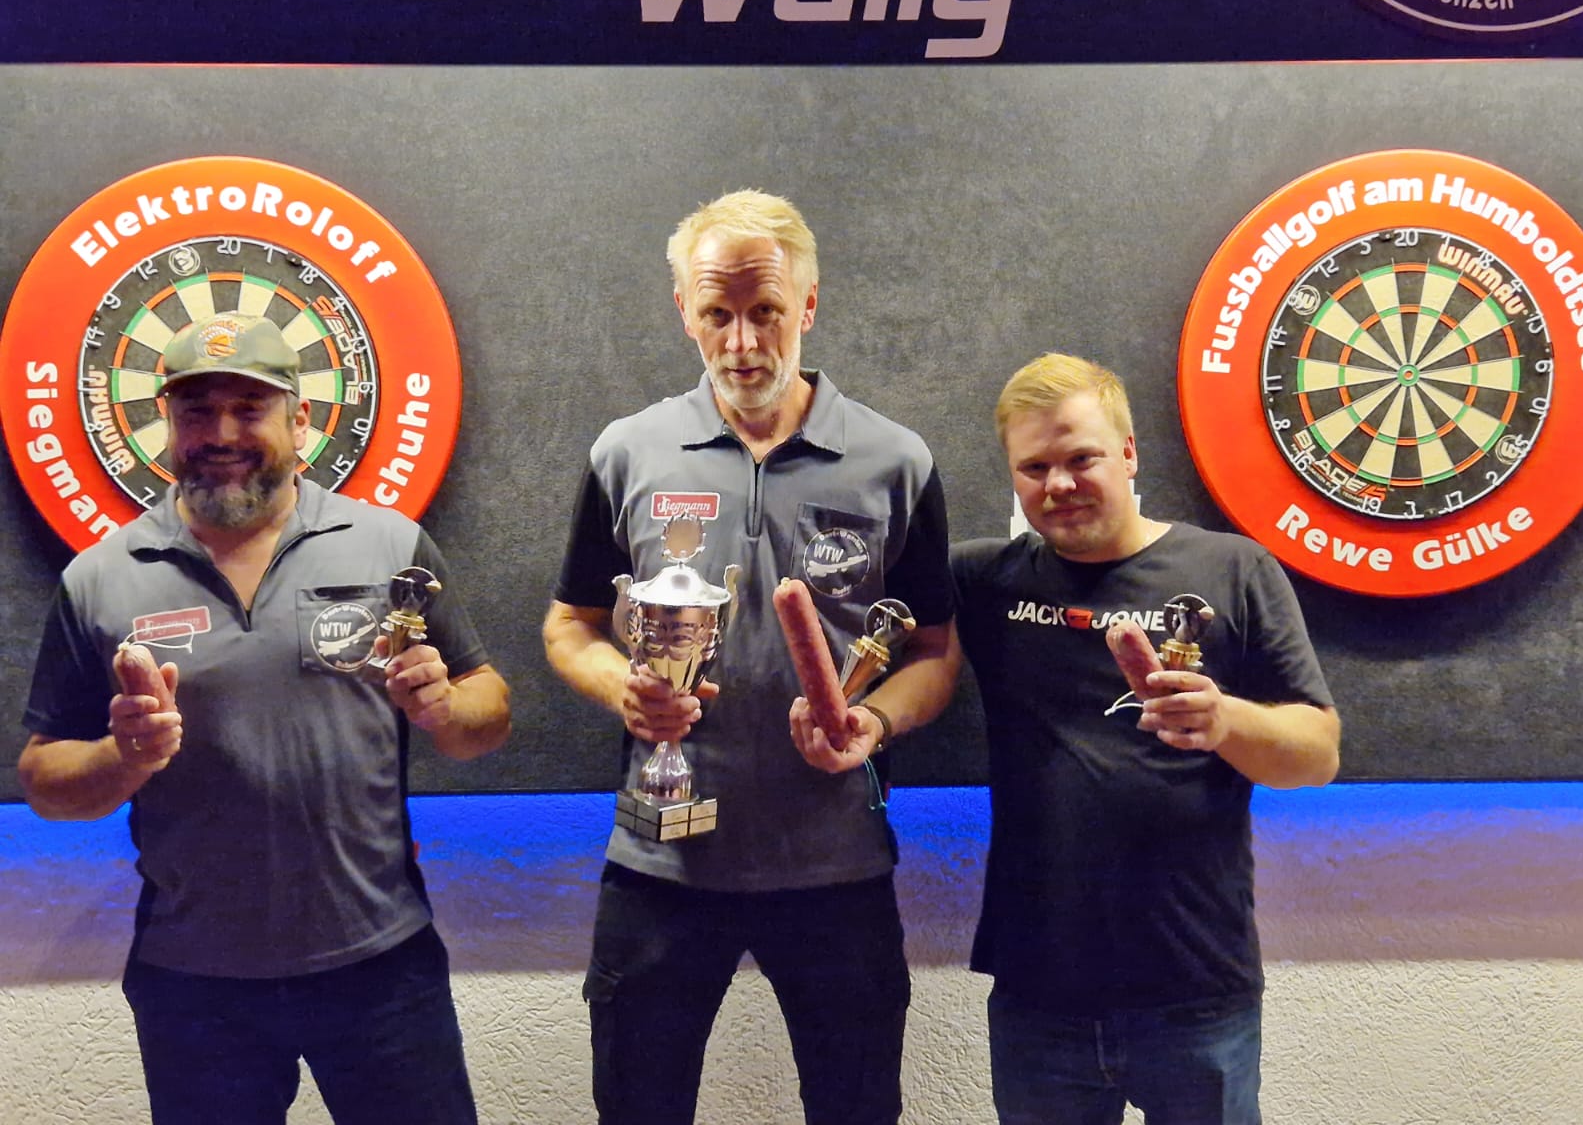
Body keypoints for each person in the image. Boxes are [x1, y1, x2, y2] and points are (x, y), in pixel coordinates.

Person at [17, 311, 511, 1125]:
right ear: (167, 424)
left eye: (248, 408)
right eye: (196, 412)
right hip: (193, 987)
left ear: (301, 420)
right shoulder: (100, 579)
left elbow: (488, 705)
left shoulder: (389, 545)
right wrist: (124, 757)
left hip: (383, 968)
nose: (221, 434)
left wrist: (448, 709)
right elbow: (44, 778)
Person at [543, 189, 959, 1125]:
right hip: (661, 864)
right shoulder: (627, 453)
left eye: (765, 310)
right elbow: (569, 626)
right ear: (683, 312)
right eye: (717, 313)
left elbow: (935, 653)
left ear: (807, 305)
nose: (741, 343)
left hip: (837, 865)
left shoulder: (895, 460)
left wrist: (874, 719)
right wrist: (626, 691)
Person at [950, 353, 1340, 1125]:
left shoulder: (1232, 570)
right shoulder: (983, 580)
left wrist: (1226, 721)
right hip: (1040, 997)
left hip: (1197, 992)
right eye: (1034, 468)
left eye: (1081, 458)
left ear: (1128, 453)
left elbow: (1318, 753)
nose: (1059, 484)